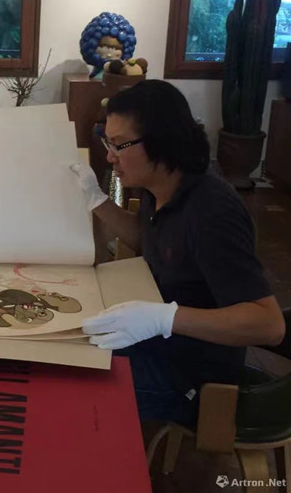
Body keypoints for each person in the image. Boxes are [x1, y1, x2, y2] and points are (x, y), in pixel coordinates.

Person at [71, 80, 285, 425]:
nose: (110, 156)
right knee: (69, 348)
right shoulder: (162, 187)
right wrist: (96, 200)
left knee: (70, 383)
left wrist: (164, 318)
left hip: (194, 376)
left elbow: (269, 325)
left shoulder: (212, 211)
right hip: (161, 343)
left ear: (162, 141)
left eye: (119, 145)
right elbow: (149, 240)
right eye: (107, 142)